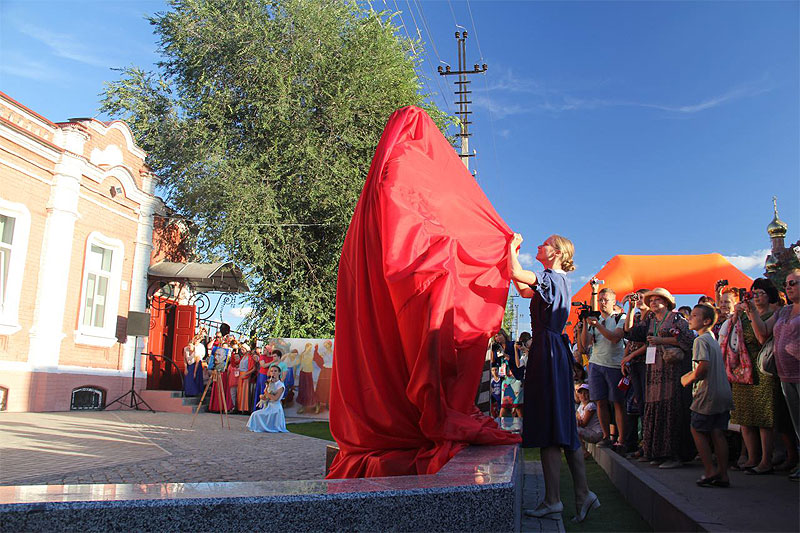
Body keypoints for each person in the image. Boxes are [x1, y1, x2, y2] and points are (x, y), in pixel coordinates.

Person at [508, 233, 599, 523]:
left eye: (545, 243)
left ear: (557, 252)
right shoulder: (554, 281)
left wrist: (511, 248)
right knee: (558, 424)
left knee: (552, 424)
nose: (539, 246)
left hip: (547, 352)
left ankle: (560, 499)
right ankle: (572, 496)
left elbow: (517, 273)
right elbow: (524, 290)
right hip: (551, 351)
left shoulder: (551, 278)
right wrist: (510, 260)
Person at [624, 287, 694, 469]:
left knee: (671, 409)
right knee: (654, 408)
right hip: (653, 371)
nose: (654, 303)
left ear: (667, 302)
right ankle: (656, 452)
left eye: (658, 299)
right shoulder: (650, 321)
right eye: (652, 300)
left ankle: (674, 455)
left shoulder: (676, 318)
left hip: (672, 370)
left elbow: (688, 339)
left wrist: (662, 340)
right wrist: (631, 308)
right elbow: (630, 332)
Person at [721, 278, 779, 474]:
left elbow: (762, 336)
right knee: (744, 417)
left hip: (762, 368)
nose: (756, 297)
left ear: (770, 296)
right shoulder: (744, 316)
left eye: (760, 293)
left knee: (763, 417)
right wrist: (736, 315)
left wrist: (752, 312)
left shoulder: (774, 314)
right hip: (741, 370)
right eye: (753, 293)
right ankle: (752, 457)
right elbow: (729, 338)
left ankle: (766, 460)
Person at [748, 269, 800, 481]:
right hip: (784, 375)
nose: (788, 287)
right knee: (796, 423)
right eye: (786, 284)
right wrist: (752, 311)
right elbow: (762, 335)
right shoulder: (784, 312)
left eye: (793, 283)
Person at [681, 304, 733, 487]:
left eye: (695, 315)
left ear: (706, 321)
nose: (690, 318)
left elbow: (703, 367)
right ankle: (723, 474)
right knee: (718, 432)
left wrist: (687, 378)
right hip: (722, 392)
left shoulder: (701, 340)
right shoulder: (712, 338)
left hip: (707, 393)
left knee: (697, 429)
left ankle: (710, 470)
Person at [581, 286, 627, 451]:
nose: (602, 303)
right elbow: (585, 344)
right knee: (600, 401)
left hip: (614, 364)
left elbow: (615, 338)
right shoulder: (596, 319)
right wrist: (585, 323)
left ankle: (621, 439)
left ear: (614, 301)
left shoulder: (621, 317)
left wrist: (597, 325)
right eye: (600, 300)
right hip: (596, 363)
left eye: (605, 300)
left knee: (617, 402)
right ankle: (606, 436)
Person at [619, 289, 650, 458]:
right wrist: (630, 308)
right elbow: (628, 332)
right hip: (635, 364)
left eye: (642, 297)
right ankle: (639, 444)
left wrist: (630, 356)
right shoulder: (637, 317)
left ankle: (646, 444)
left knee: (645, 404)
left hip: (647, 363)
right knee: (636, 403)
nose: (639, 300)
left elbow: (648, 342)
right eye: (637, 297)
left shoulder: (652, 317)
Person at [246, 365, 288, 433]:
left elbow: (275, 398)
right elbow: (266, 396)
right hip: (268, 406)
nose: (273, 373)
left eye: (275, 371)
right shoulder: (269, 383)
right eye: (271, 371)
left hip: (275, 408)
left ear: (279, 373)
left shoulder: (280, 385)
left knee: (256, 414)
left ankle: (265, 427)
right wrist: (262, 397)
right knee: (255, 414)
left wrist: (266, 392)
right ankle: (259, 427)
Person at [576, 384, 603, 458]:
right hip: (589, 432)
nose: (583, 395)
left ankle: (584, 452)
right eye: (581, 393)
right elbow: (577, 417)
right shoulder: (581, 406)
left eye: (586, 393)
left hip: (596, 434)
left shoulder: (591, 406)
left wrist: (578, 421)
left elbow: (583, 423)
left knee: (575, 430)